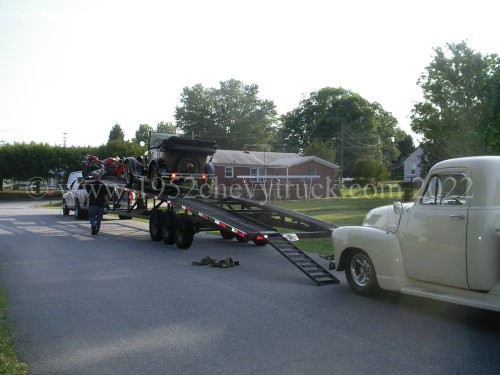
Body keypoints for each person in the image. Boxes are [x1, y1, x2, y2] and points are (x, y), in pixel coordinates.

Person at [86, 171, 108, 235]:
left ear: (94, 177)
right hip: (101, 204)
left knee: (91, 216)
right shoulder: (103, 185)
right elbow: (105, 195)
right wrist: (107, 202)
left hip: (92, 204)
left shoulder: (89, 185)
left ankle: (93, 225)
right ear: (100, 177)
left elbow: (87, 194)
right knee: (99, 219)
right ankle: (96, 231)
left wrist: (86, 200)